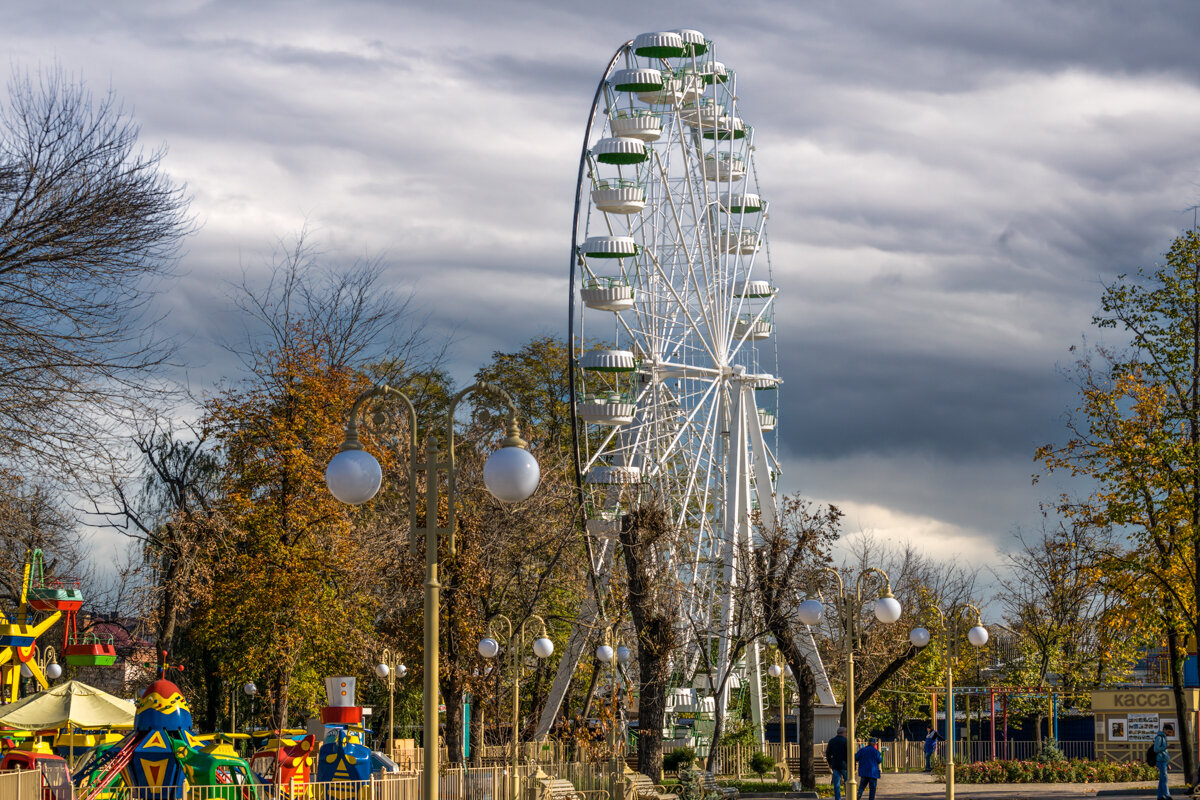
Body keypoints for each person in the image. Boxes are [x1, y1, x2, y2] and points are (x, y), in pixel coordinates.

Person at [825, 727, 848, 800]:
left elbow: (828, 753)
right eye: (846, 733)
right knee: (847, 782)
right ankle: (848, 796)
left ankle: (838, 798)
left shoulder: (832, 741)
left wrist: (830, 763)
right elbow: (850, 754)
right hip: (845, 765)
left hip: (835, 764)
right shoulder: (846, 741)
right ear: (843, 733)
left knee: (836, 784)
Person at [1154, 726, 1172, 800]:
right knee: (1164, 779)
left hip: (1163, 760)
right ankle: (1167, 796)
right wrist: (1166, 747)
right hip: (1160, 760)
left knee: (1162, 779)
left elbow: (1165, 752)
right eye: (1168, 732)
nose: (1169, 734)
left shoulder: (1164, 737)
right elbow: (1156, 749)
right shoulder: (1159, 738)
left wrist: (1167, 763)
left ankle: (1160, 796)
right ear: (1164, 730)